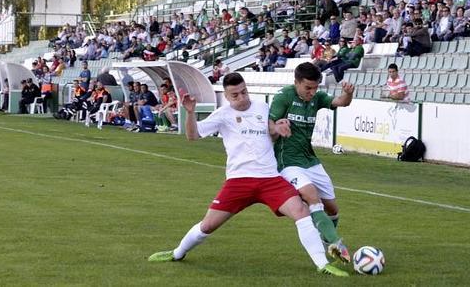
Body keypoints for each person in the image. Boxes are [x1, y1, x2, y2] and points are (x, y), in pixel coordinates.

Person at [148, 73, 348, 277]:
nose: (242, 98)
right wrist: (190, 112)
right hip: (239, 181)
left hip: (270, 179)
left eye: (244, 92)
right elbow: (192, 136)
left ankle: (322, 264)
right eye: (235, 95)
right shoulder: (222, 114)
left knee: (301, 211)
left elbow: (272, 129)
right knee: (208, 225)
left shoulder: (262, 107)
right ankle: (177, 253)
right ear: (226, 96)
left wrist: (277, 128)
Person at [269, 62, 355, 264]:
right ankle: (336, 243)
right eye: (308, 87)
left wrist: (348, 94)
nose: (312, 92)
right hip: (287, 161)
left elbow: (341, 102)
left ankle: (328, 241)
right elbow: (269, 123)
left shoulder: (317, 97)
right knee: (310, 196)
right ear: (296, 82)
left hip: (310, 159)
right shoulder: (284, 97)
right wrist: (277, 128)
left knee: (332, 209)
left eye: (315, 87)